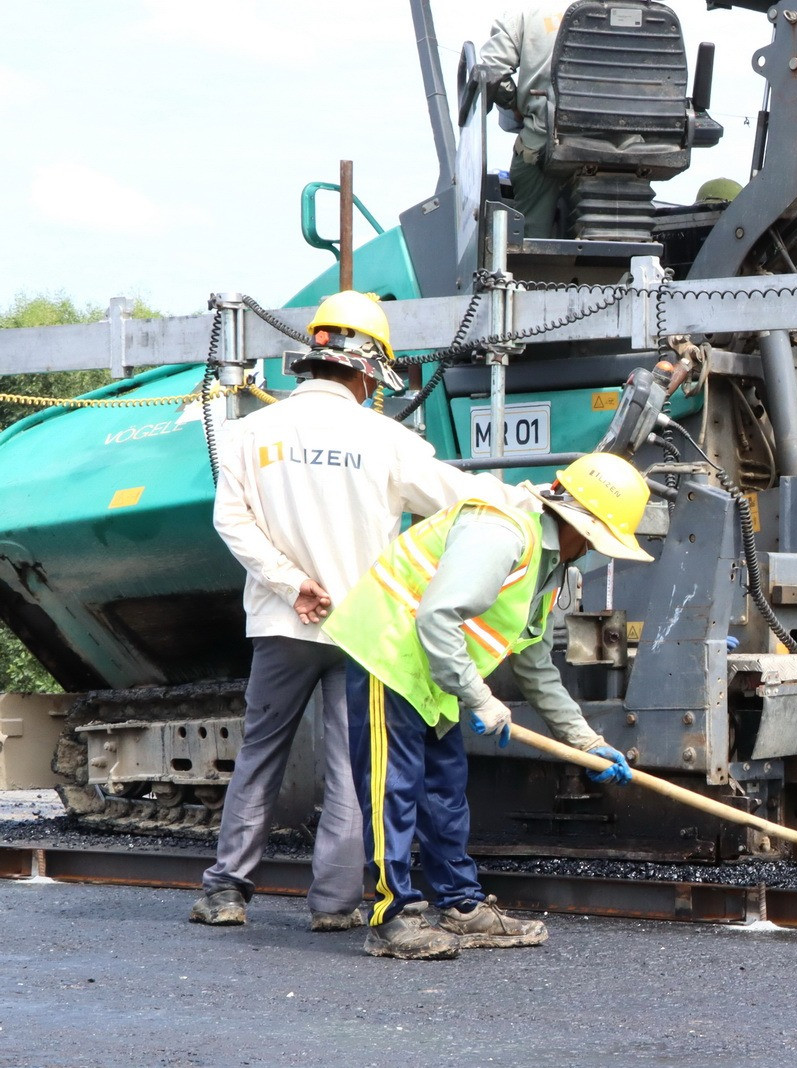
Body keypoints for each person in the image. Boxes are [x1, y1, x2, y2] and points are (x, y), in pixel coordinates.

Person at [190, 291, 519, 929]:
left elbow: (230, 520)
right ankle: (335, 903)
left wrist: (291, 583)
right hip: (363, 628)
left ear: (311, 359)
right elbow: (464, 498)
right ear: (367, 369)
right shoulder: (386, 438)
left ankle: (226, 891)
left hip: (283, 622)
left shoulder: (248, 433)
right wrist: (531, 496)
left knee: (260, 754)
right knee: (350, 765)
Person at [322, 452, 650, 960]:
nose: (590, 551)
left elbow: (536, 665)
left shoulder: (547, 567)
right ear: (577, 523)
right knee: (395, 790)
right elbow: (436, 618)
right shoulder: (501, 534)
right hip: (388, 654)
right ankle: (392, 918)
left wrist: (588, 741)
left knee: (443, 792)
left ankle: (461, 906)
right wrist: (481, 697)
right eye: (594, 539)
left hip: (434, 672)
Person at [476, 6, 571, 239]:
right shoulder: (641, 16)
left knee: (531, 240)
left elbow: (492, 70)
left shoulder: (525, 15)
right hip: (631, 148)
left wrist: (514, 104)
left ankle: (534, 263)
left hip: (547, 143)